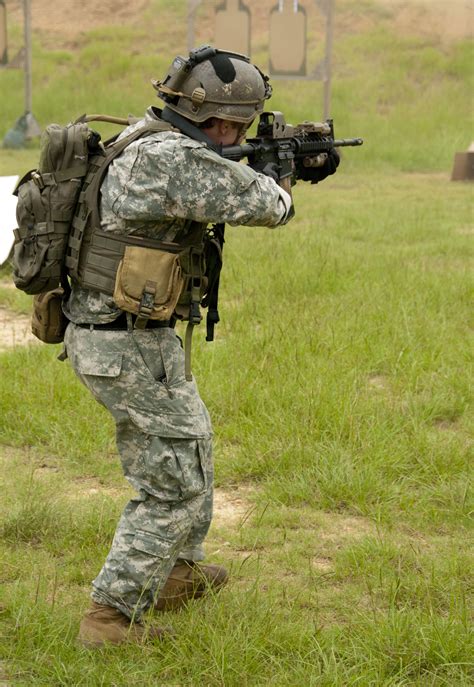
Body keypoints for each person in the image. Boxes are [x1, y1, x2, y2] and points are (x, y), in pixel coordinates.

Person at [62, 46, 339, 648]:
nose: (236, 134)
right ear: (219, 119)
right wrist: (283, 176)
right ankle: (110, 617)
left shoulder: (146, 136)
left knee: (192, 446)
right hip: (124, 344)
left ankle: (177, 575)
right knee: (174, 483)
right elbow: (268, 206)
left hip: (127, 338)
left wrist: (262, 162)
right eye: (238, 125)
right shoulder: (171, 159)